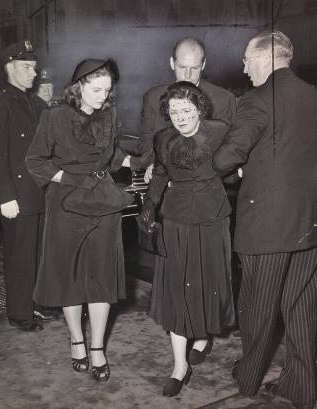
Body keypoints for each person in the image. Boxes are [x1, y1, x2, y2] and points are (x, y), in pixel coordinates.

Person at [213, 31, 317, 409]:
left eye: (246, 60)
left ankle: (249, 377)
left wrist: (232, 167)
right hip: (308, 225)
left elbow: (226, 159)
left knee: (257, 304)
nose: (244, 68)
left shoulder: (257, 100)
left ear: (264, 58)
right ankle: (303, 387)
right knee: (302, 307)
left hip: (267, 227)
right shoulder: (313, 96)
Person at [26, 58, 132, 381]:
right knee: (69, 275)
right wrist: (71, 180)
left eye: (107, 91)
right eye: (97, 89)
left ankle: (97, 347)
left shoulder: (108, 115)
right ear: (79, 86)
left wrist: (136, 160)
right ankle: (77, 341)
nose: (103, 96)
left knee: (101, 274)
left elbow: (111, 155)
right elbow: (36, 161)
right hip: (65, 203)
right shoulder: (54, 116)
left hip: (103, 200)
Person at [140, 81, 235, 397]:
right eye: (174, 111)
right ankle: (179, 364)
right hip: (176, 219)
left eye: (186, 110)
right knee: (177, 288)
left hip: (211, 218)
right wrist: (150, 207)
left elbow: (240, 163)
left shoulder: (220, 131)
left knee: (207, 282)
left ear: (200, 109)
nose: (180, 117)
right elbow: (160, 177)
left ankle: (204, 335)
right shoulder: (163, 138)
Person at [0, 40, 56, 332]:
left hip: (37, 194)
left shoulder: (33, 102)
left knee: (38, 253)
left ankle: (36, 305)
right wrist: (5, 196)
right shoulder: (2, 102)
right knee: (19, 255)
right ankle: (19, 312)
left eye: (34, 67)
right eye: (26, 67)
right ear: (9, 68)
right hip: (16, 196)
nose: (33, 73)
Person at [138, 37, 237, 183]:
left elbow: (228, 149)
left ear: (203, 65)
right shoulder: (153, 97)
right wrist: (154, 164)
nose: (188, 75)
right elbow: (146, 140)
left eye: (194, 68)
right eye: (182, 67)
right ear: (172, 63)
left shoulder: (223, 99)